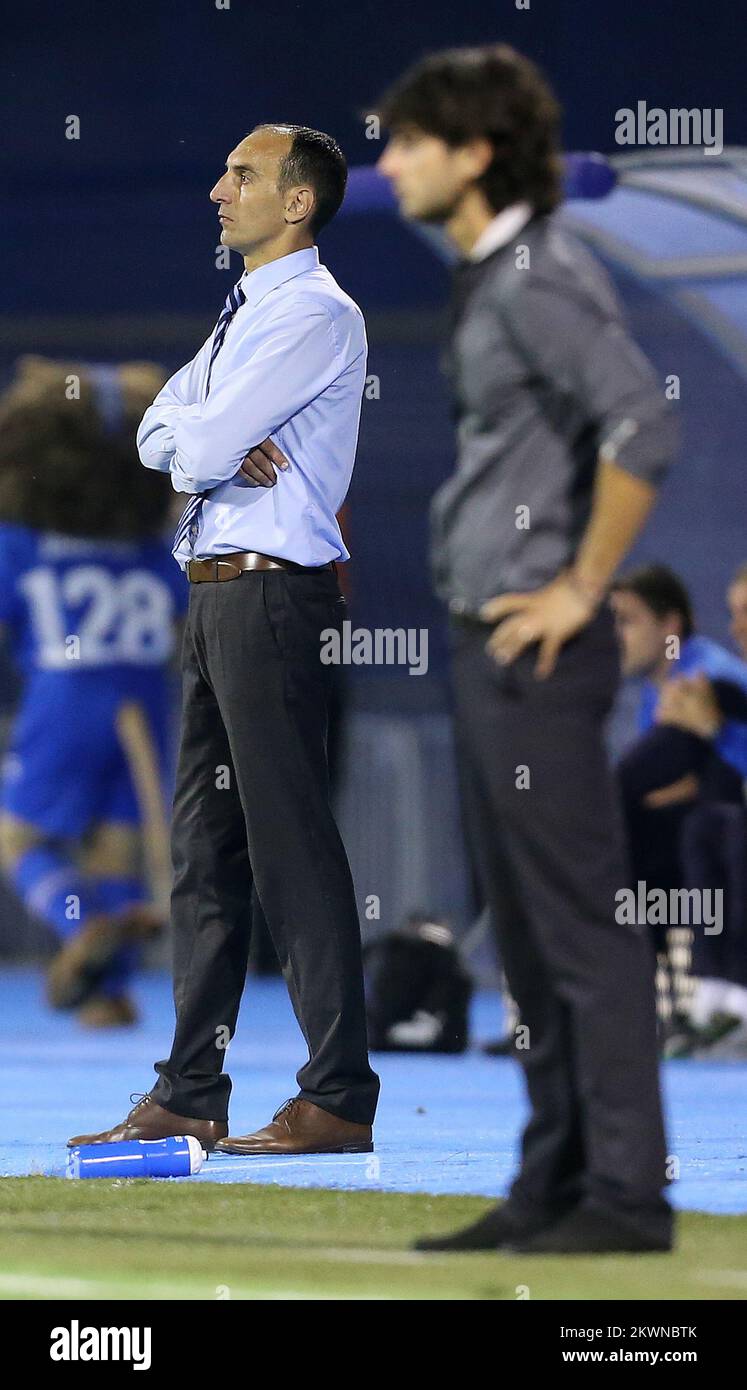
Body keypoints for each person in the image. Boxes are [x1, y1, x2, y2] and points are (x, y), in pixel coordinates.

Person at [377, 45, 677, 1253]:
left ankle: (625, 1199)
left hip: (540, 655)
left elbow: (644, 418)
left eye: (408, 142)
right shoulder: (490, 272)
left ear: (476, 151)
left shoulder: (537, 274)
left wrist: (582, 587)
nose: (388, 162)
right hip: (490, 644)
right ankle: (554, 1182)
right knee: (531, 932)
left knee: (580, 929)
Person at [69, 124, 380, 1155]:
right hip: (211, 599)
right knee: (203, 857)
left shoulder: (317, 315)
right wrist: (200, 440)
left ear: (297, 202)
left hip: (270, 599)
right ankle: (191, 1088)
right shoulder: (245, 313)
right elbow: (168, 431)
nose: (217, 189)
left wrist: (201, 439)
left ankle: (337, 1093)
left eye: (241, 175)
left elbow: (186, 438)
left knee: (288, 848)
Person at [0, 356, 185, 1027]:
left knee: (19, 841)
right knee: (119, 851)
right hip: (141, 707)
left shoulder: (18, 544)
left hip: (63, 701)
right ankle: (108, 992)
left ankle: (74, 921)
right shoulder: (155, 551)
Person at [611, 564, 747, 1055]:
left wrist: (708, 729)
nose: (615, 636)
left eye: (626, 621)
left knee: (624, 813)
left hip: (724, 822)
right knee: (633, 830)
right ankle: (630, 1002)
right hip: (701, 823)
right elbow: (683, 783)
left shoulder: (711, 675)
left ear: (668, 626)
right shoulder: (660, 690)